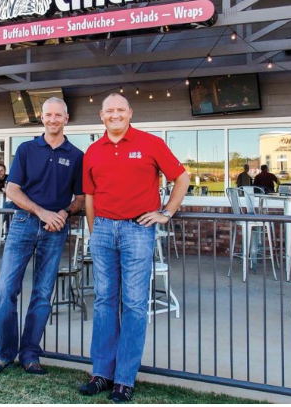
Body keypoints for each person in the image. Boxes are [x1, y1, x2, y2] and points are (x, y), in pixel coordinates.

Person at [79, 94, 189, 403]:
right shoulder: (92, 151)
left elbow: (182, 178)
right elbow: (89, 195)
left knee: (135, 304)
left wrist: (166, 212)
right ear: (102, 116)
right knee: (103, 302)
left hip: (138, 231)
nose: (115, 115)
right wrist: (94, 232)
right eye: (109, 111)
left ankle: (124, 379)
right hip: (102, 229)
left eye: (120, 110)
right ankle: (101, 373)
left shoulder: (150, 143)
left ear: (130, 113)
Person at [0, 97, 84, 376]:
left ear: (66, 118)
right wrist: (41, 212)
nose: (53, 120)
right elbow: (12, 190)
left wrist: (63, 212)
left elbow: (80, 199)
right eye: (48, 115)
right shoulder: (26, 150)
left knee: (42, 295)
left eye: (58, 115)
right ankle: (3, 353)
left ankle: (30, 354)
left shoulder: (76, 155)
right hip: (23, 224)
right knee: (5, 290)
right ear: (43, 118)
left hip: (55, 230)